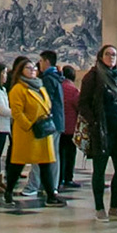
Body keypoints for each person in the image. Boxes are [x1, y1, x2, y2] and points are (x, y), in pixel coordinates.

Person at [78, 44, 117, 221]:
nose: (111, 57)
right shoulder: (93, 76)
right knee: (100, 170)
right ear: (101, 56)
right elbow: (83, 103)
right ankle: (99, 207)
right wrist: (94, 122)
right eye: (108, 54)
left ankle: (115, 206)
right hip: (101, 130)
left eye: (114, 54)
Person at [4, 56, 63, 207]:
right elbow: (17, 112)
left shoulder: (40, 86)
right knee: (18, 164)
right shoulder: (18, 88)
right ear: (21, 71)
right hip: (27, 132)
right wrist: (29, 125)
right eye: (28, 69)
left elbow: (47, 105)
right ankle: (9, 191)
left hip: (43, 131)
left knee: (46, 163)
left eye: (34, 69)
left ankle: (51, 195)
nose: (32, 71)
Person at [37, 51, 71, 189]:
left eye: (40, 61)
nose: (39, 64)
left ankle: (50, 185)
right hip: (58, 121)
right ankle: (52, 184)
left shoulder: (48, 78)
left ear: (46, 61)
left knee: (50, 154)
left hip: (51, 122)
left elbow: (47, 102)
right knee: (54, 153)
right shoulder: (57, 77)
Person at [58, 63, 81, 189]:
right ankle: (68, 178)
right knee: (70, 153)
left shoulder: (59, 87)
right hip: (71, 126)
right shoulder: (73, 90)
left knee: (60, 152)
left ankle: (59, 177)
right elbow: (79, 105)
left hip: (59, 125)